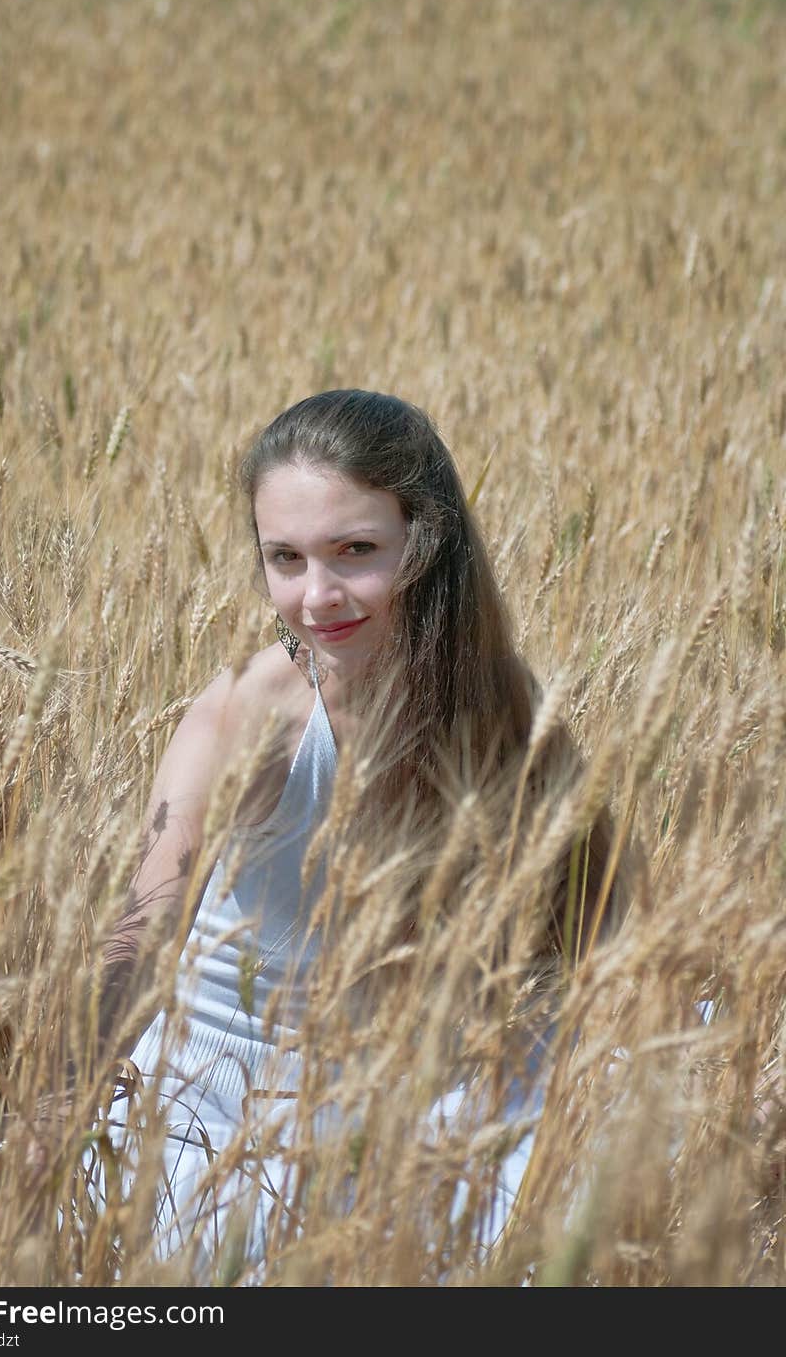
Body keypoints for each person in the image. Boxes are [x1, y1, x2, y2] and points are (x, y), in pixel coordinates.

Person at [90, 389, 619, 1280]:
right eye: (284, 558)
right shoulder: (247, 711)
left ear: (427, 541)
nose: (316, 595)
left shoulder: (504, 703)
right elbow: (139, 927)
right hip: (234, 1099)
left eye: (355, 551)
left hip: (431, 1083)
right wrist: (63, 1092)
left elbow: (598, 922)